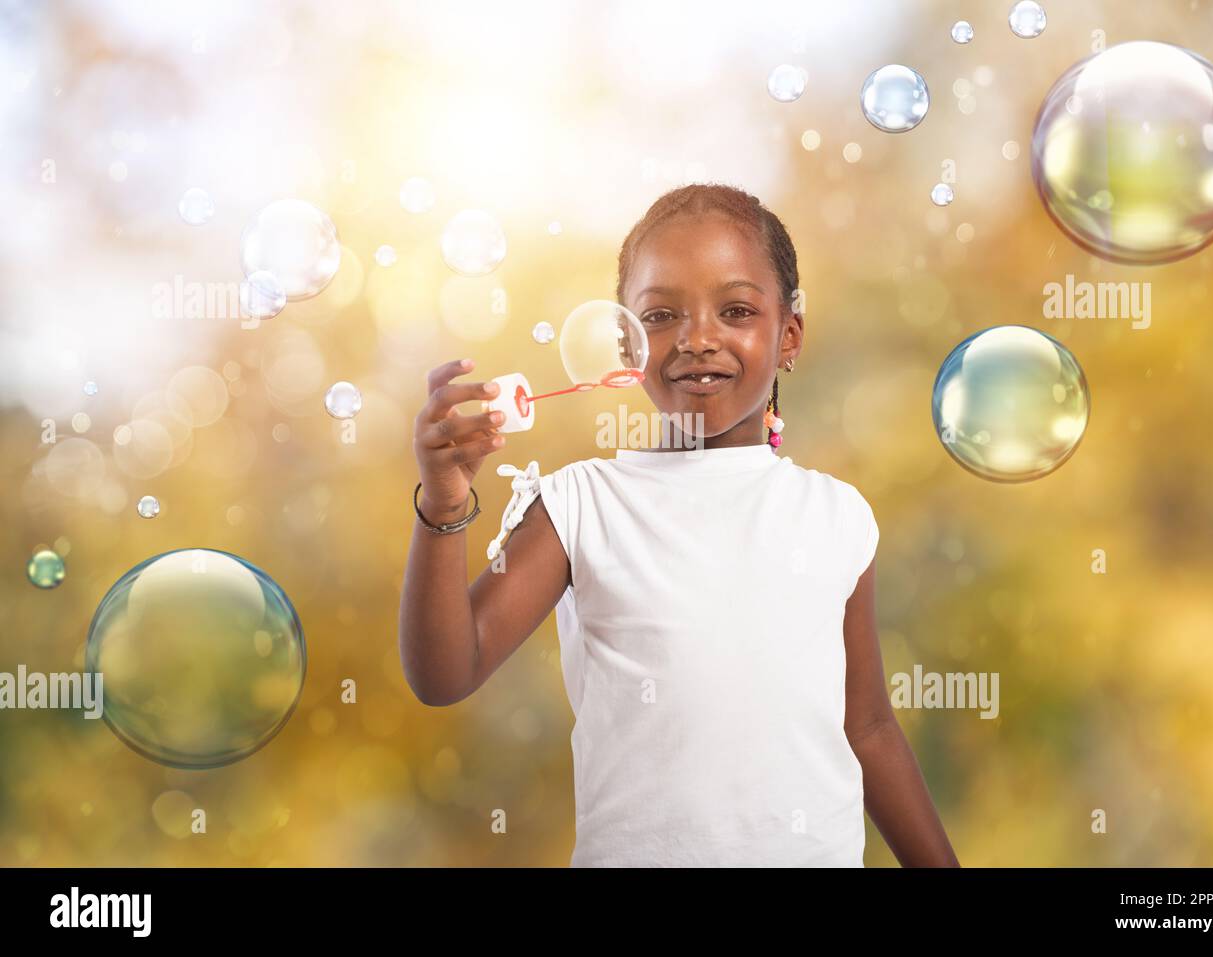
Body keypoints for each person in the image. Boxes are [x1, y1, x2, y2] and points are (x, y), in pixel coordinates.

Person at [400, 183, 959, 868]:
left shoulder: (837, 514)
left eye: (736, 309)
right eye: (661, 314)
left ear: (789, 334)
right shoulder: (581, 505)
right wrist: (444, 505)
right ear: (623, 345)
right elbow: (445, 672)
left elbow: (868, 726)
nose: (697, 338)